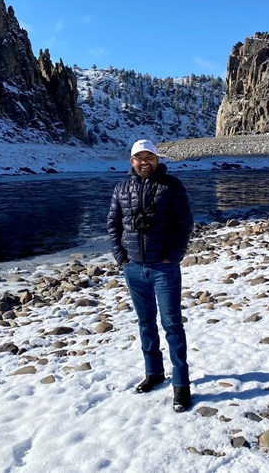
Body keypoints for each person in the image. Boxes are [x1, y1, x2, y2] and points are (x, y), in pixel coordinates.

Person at [107, 139, 194, 412]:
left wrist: (174, 256)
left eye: (150, 157)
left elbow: (185, 223)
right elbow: (112, 224)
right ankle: (153, 373)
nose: (144, 162)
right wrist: (121, 258)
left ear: (157, 159)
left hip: (164, 267)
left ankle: (181, 385)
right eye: (139, 158)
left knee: (172, 325)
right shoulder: (121, 189)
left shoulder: (172, 186)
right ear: (131, 161)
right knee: (145, 323)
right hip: (133, 267)